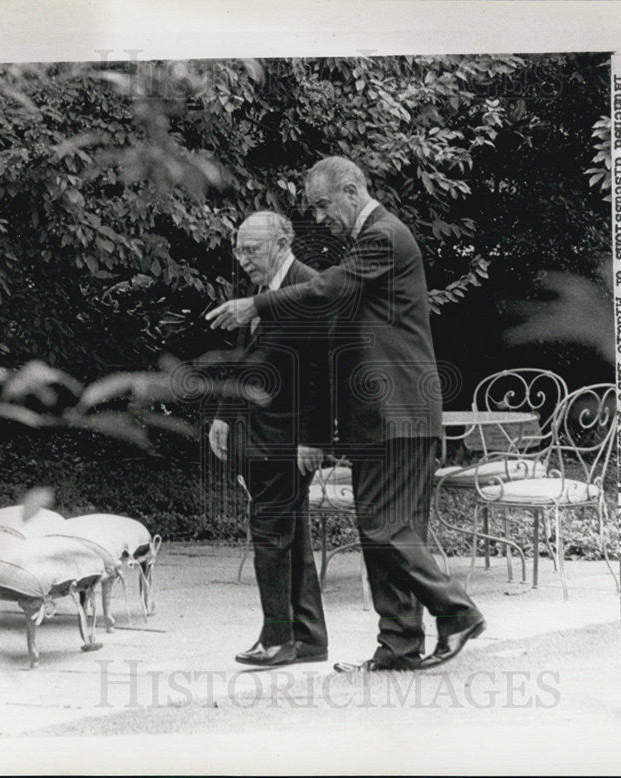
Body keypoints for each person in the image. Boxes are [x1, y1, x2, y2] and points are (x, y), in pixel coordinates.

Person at [208, 157, 485, 672]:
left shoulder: (383, 236)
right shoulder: (373, 241)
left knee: (384, 529)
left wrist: (258, 305)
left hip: (397, 411)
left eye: (322, 204)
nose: (319, 218)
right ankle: (398, 646)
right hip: (378, 414)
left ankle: (458, 611)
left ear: (352, 191)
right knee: (386, 533)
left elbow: (329, 289)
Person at [209, 211, 331, 667]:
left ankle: (278, 638)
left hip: (289, 436)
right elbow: (249, 359)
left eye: (252, 250)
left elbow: (323, 371)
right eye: (238, 249)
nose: (242, 259)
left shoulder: (309, 287)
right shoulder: (264, 291)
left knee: (269, 532)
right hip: (262, 432)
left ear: (281, 243)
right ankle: (310, 638)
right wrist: (224, 414)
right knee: (291, 533)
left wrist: (313, 438)